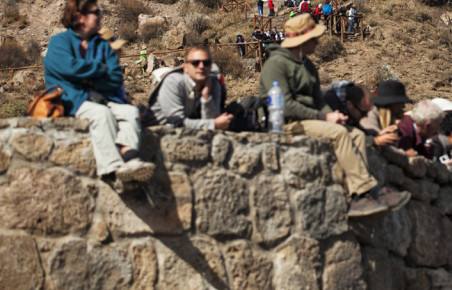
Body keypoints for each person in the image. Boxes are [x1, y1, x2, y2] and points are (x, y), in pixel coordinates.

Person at [258, 14, 409, 216]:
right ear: (303, 41)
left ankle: (368, 192)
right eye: (314, 38)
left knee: (355, 134)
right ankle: (362, 193)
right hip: (285, 123)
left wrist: (334, 115)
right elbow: (284, 105)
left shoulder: (308, 66)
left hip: (310, 120)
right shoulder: (276, 65)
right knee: (339, 134)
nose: (318, 42)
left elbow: (318, 101)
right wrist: (324, 118)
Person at [43, 0, 155, 187]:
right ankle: (112, 170)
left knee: (129, 111)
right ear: (80, 17)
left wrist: (87, 77)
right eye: (96, 12)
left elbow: (114, 78)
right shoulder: (59, 42)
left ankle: (130, 157)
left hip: (103, 97)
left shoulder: (103, 44)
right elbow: (67, 68)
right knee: (101, 114)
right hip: (73, 100)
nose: (101, 16)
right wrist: (99, 69)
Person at [149, 46, 242, 131]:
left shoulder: (212, 82)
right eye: (195, 63)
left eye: (206, 63)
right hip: (155, 133)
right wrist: (213, 124)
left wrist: (206, 98)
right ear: (185, 68)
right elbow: (175, 122)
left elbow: (214, 123)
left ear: (210, 66)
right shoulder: (174, 81)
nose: (201, 66)